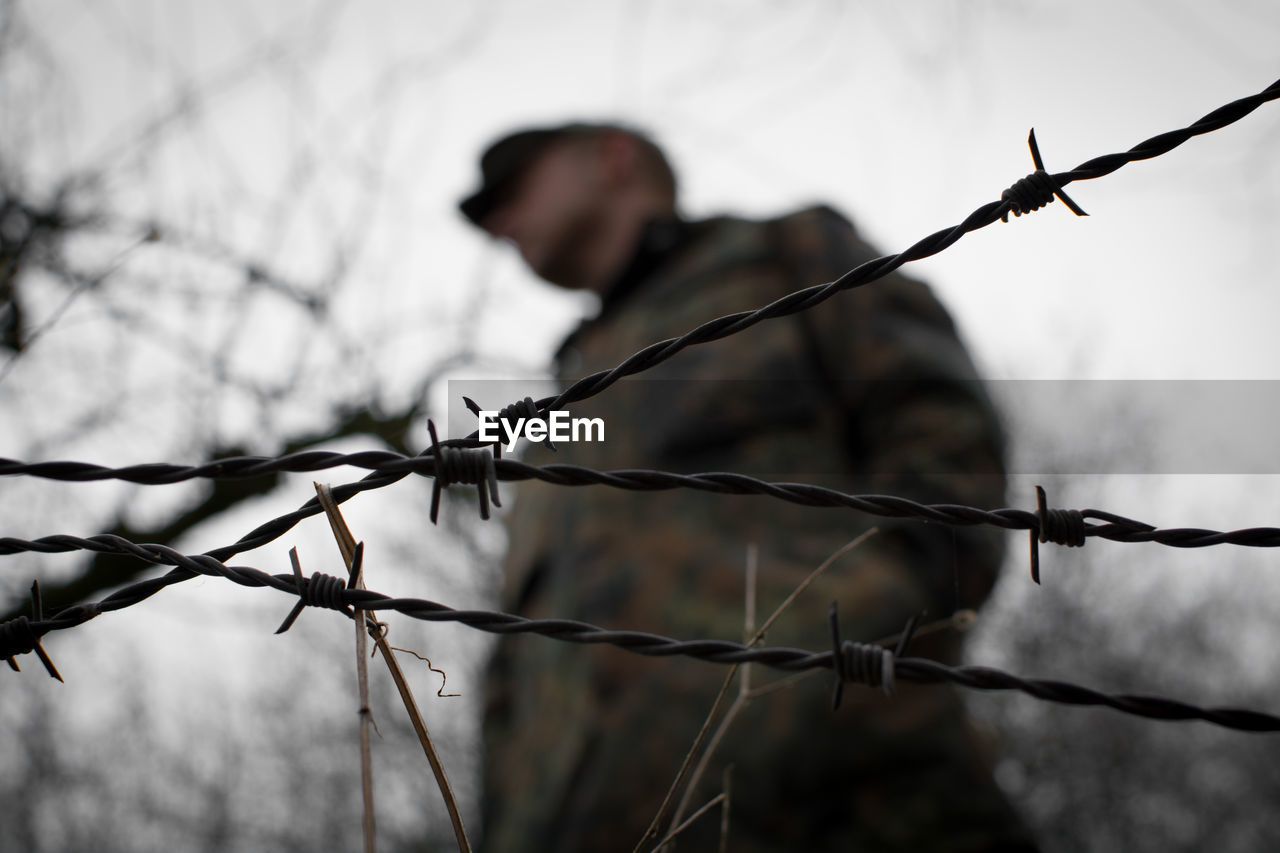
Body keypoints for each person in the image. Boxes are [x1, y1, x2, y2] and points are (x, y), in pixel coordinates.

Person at [459, 122, 1039, 852]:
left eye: (512, 190)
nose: (498, 223)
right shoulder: (564, 395)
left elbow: (939, 428)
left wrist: (874, 628)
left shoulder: (779, 260)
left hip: (849, 803)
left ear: (612, 159)